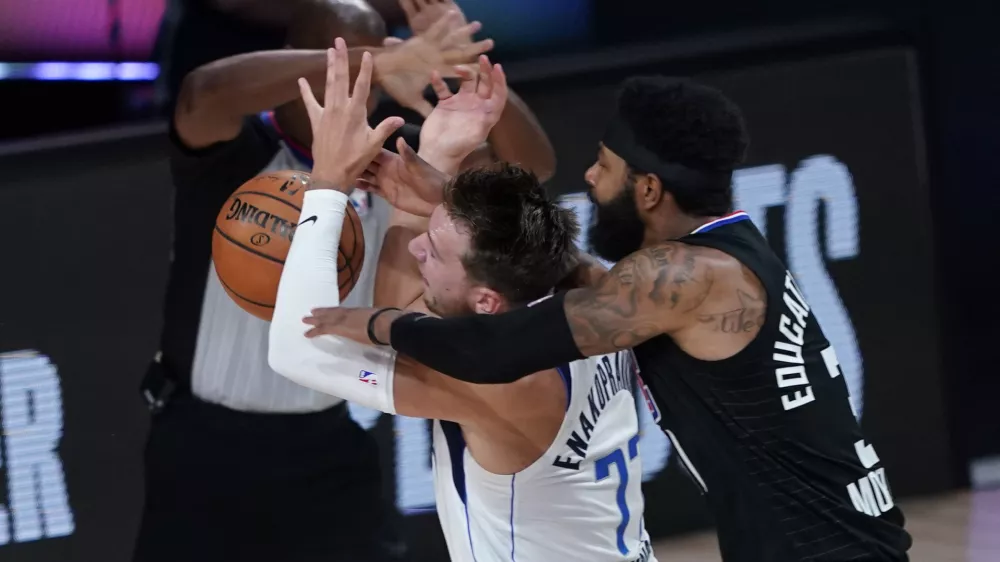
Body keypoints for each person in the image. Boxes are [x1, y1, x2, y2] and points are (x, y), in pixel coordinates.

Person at [305, 76, 914, 561]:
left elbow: (494, 350)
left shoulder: (687, 275)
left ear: (647, 190)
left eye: (604, 165)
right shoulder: (719, 255)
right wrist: (450, 202)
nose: (590, 177)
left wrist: (373, 323)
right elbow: (588, 278)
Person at [135, 3, 538, 561]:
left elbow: (531, 172)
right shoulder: (234, 151)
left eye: (369, 75)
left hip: (325, 444)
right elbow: (202, 92)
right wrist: (380, 58)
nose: (353, 89)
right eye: (340, 66)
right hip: (203, 446)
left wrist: (467, 68)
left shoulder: (397, 159)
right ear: (290, 63)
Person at [266, 46, 656, 562]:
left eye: (434, 248)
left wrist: (328, 183)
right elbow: (416, 306)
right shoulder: (594, 297)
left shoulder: (500, 381)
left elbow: (295, 349)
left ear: (487, 301)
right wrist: (437, 156)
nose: (415, 247)